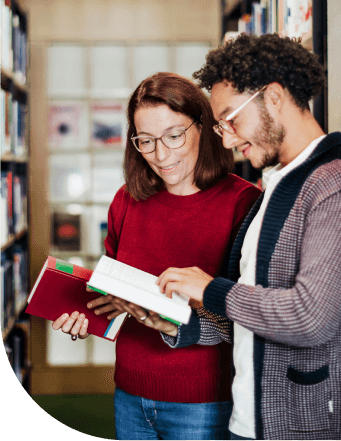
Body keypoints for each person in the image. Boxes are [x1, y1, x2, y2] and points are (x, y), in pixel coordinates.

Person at [156, 34, 341, 440]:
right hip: (250, 420)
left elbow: (308, 318)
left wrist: (210, 290)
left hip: (310, 429)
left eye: (231, 120)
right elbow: (254, 312)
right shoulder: (275, 185)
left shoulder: (340, 184)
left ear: (273, 97)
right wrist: (178, 324)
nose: (226, 139)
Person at [52, 72, 261, 440]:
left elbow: (247, 317)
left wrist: (173, 320)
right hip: (130, 393)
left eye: (174, 136)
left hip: (205, 400)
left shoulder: (242, 204)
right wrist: (85, 316)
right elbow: (116, 298)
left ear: (203, 127)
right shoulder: (125, 201)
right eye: (145, 141)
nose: (161, 155)